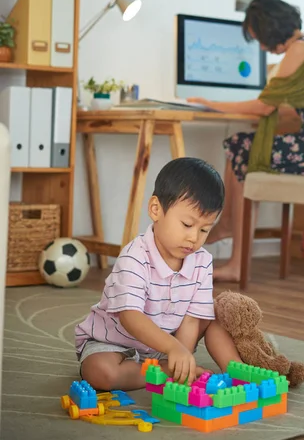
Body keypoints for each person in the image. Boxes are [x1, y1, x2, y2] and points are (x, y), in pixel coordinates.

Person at [188, 0, 304, 283]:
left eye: (260, 38)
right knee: (242, 145)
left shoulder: (299, 50)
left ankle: (235, 251)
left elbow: (265, 106)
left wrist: (212, 103)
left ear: (271, 29)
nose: (263, 47)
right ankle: (228, 226)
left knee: (241, 147)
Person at [75, 157, 242, 391]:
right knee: (101, 373)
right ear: (156, 210)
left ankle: (238, 371)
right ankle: (163, 373)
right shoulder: (134, 256)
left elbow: (193, 319)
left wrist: (180, 352)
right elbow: (130, 317)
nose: (194, 237)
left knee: (216, 315)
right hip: (115, 343)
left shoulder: (202, 261)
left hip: (167, 345)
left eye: (205, 229)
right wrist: (175, 351)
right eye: (186, 224)